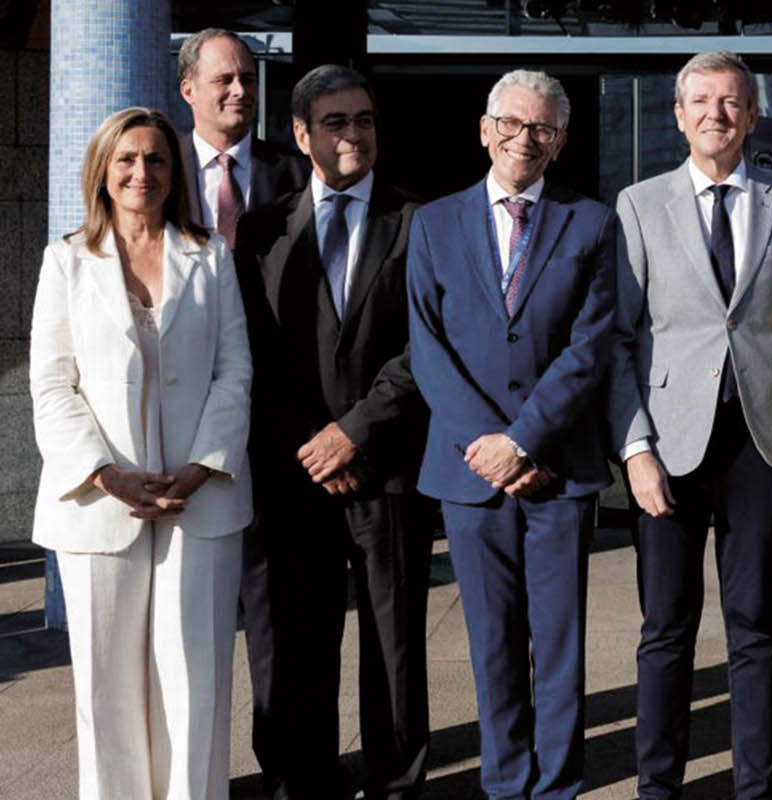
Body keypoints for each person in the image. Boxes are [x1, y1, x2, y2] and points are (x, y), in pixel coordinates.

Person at [610, 50, 772, 800]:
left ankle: (755, 788)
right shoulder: (639, 204)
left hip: (763, 439)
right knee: (666, 628)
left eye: (730, 102)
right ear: (678, 115)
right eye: (700, 101)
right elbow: (622, 338)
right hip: (668, 443)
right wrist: (634, 447)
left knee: (755, 627)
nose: (715, 114)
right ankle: (656, 787)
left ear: (752, 114)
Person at [29, 106, 252, 799]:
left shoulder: (209, 254)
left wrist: (204, 461)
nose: (142, 172)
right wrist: (105, 472)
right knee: (105, 688)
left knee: (196, 676)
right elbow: (50, 381)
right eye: (126, 159)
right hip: (101, 501)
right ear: (102, 169)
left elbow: (234, 369)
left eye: (156, 159)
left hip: (198, 494)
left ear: (173, 171)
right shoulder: (66, 260)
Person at [407, 69, 617, 800]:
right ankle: (505, 786)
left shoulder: (590, 222)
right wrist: (491, 451)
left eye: (543, 128)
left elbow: (590, 348)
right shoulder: (432, 223)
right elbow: (428, 350)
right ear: (485, 128)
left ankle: (556, 787)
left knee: (558, 648)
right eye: (513, 123)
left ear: (559, 142)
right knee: (491, 645)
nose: (525, 138)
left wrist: (523, 442)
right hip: (469, 474)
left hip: (557, 468)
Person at [232, 64, 432, 799]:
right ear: (301, 133)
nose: (354, 133)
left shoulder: (420, 220)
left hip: (388, 470)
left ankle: (397, 782)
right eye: (337, 121)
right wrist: (315, 442)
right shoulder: (260, 231)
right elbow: (252, 353)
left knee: (396, 645)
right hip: (295, 475)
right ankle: (305, 782)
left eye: (365, 120)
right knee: (300, 642)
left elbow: (426, 347)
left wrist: (354, 432)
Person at [175, 28, 307, 249]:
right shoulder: (164, 167)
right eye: (224, 80)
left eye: (248, 79)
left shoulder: (299, 174)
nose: (240, 91)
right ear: (189, 91)